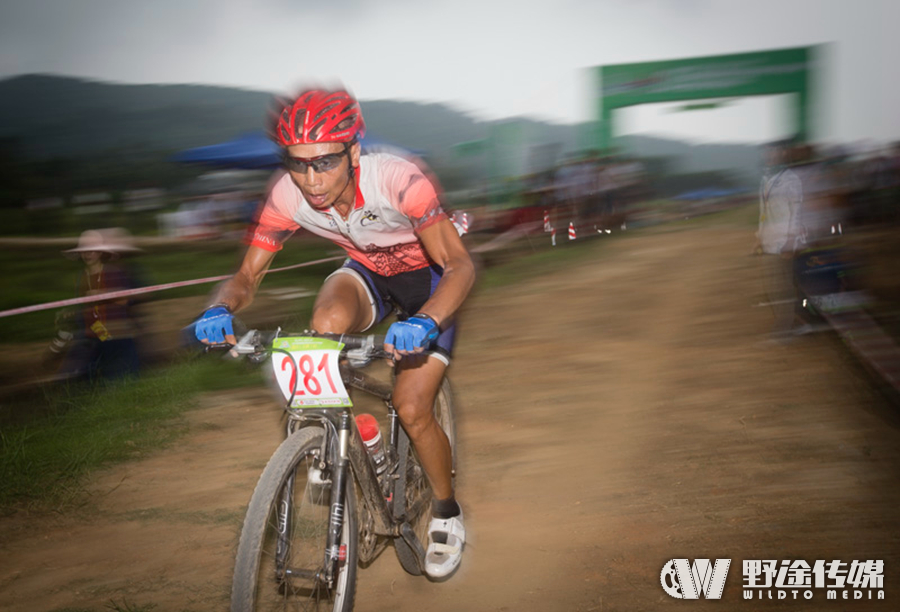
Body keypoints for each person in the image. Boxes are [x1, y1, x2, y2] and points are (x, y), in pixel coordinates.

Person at [192, 88, 475, 579]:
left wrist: (426, 321)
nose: (310, 179)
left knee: (411, 406)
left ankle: (447, 513)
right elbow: (247, 277)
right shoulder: (287, 194)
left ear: (354, 151)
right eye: (297, 164)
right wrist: (219, 306)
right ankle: (341, 440)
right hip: (368, 275)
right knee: (322, 329)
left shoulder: (399, 180)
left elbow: (459, 266)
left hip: (430, 280)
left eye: (323, 162)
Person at [58, 228, 143, 381]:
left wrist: (103, 295)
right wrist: (73, 312)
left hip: (119, 334)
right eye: (85, 251)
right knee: (77, 376)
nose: (88, 254)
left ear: (100, 253)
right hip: (95, 333)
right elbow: (86, 308)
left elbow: (126, 300)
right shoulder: (82, 277)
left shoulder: (114, 272)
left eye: (92, 250)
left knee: (124, 378)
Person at [753, 140, 804, 340]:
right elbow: (762, 212)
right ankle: (784, 325)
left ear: (783, 153)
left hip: (783, 241)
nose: (769, 154)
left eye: (773, 151)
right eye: (767, 151)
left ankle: (785, 329)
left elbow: (797, 212)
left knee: (783, 287)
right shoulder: (766, 179)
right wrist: (759, 237)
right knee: (772, 288)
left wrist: (791, 242)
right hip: (768, 241)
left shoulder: (791, 179)